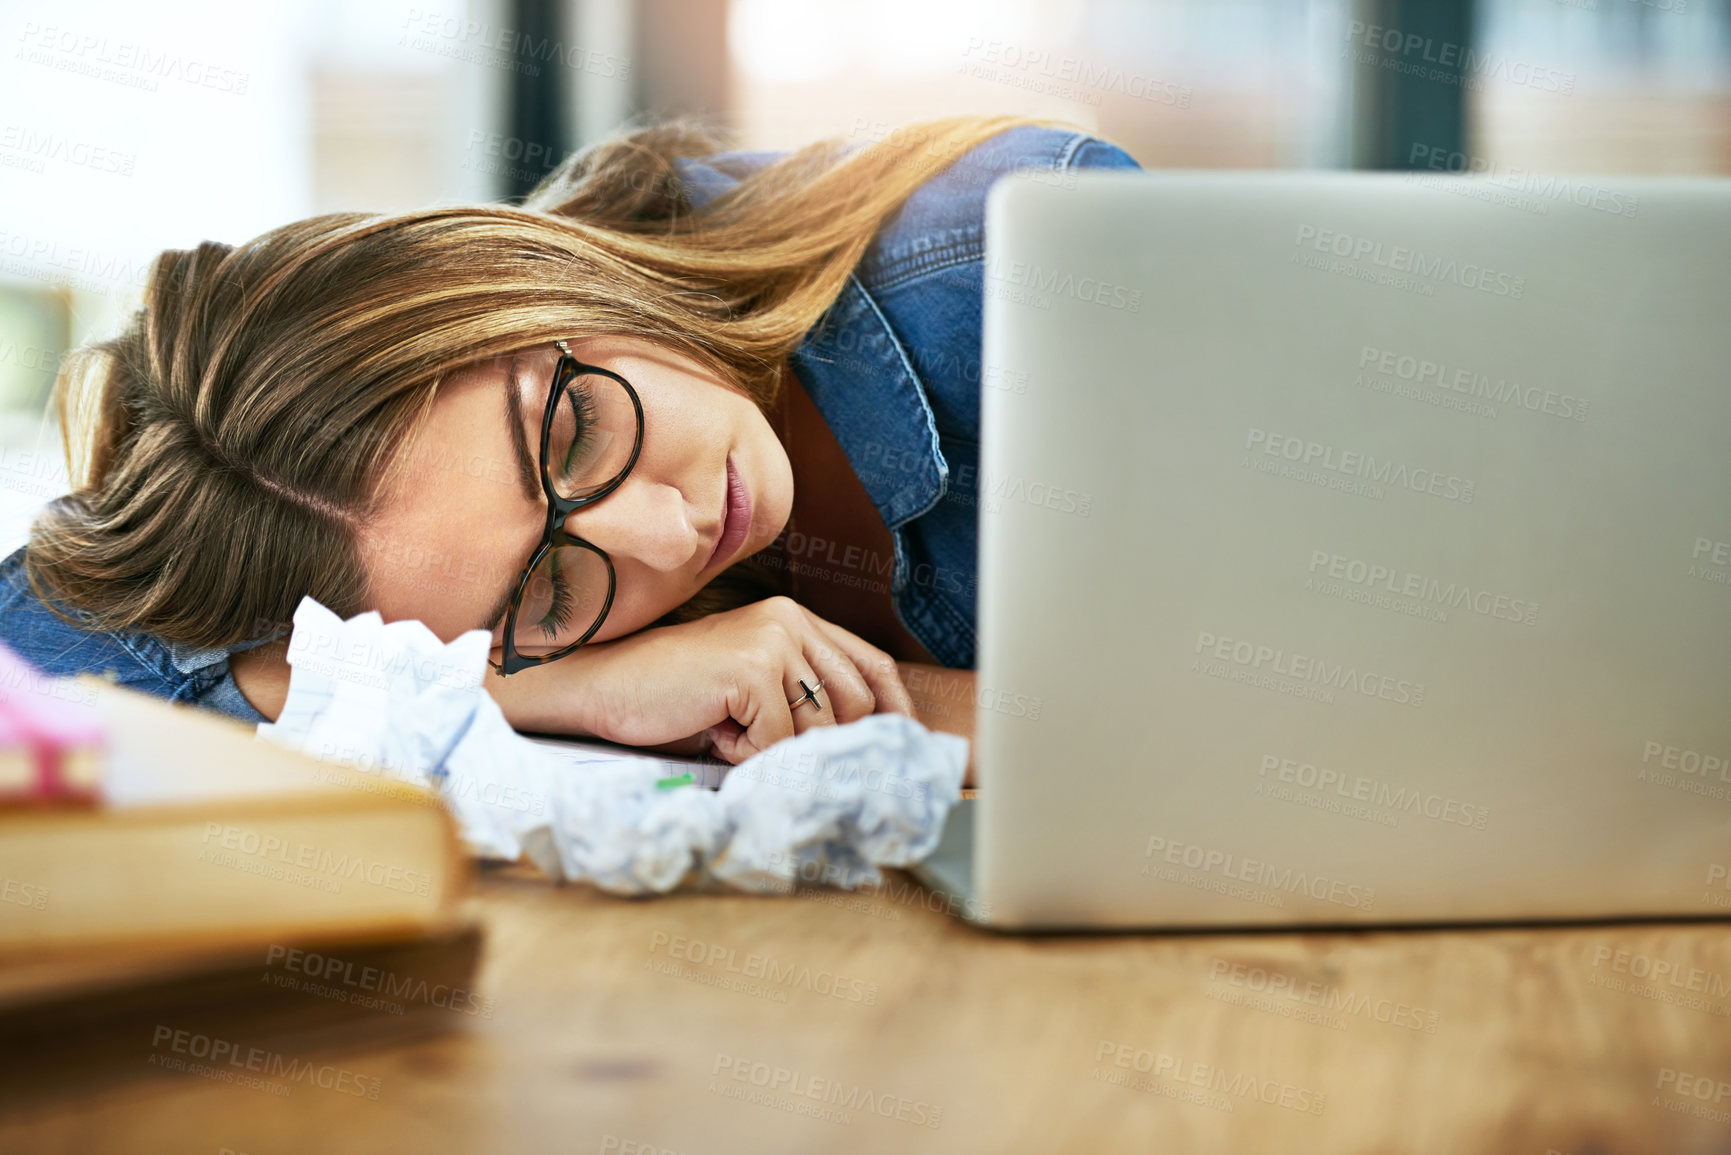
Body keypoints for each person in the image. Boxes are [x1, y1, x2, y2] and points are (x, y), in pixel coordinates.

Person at [0, 116, 1139, 769]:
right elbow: (46, 656)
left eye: (574, 432)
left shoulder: (1028, 268)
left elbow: (1271, 737)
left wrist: (878, 702)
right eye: (546, 592)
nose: (670, 529)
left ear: (520, 272)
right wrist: (545, 690)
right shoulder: (540, 647)